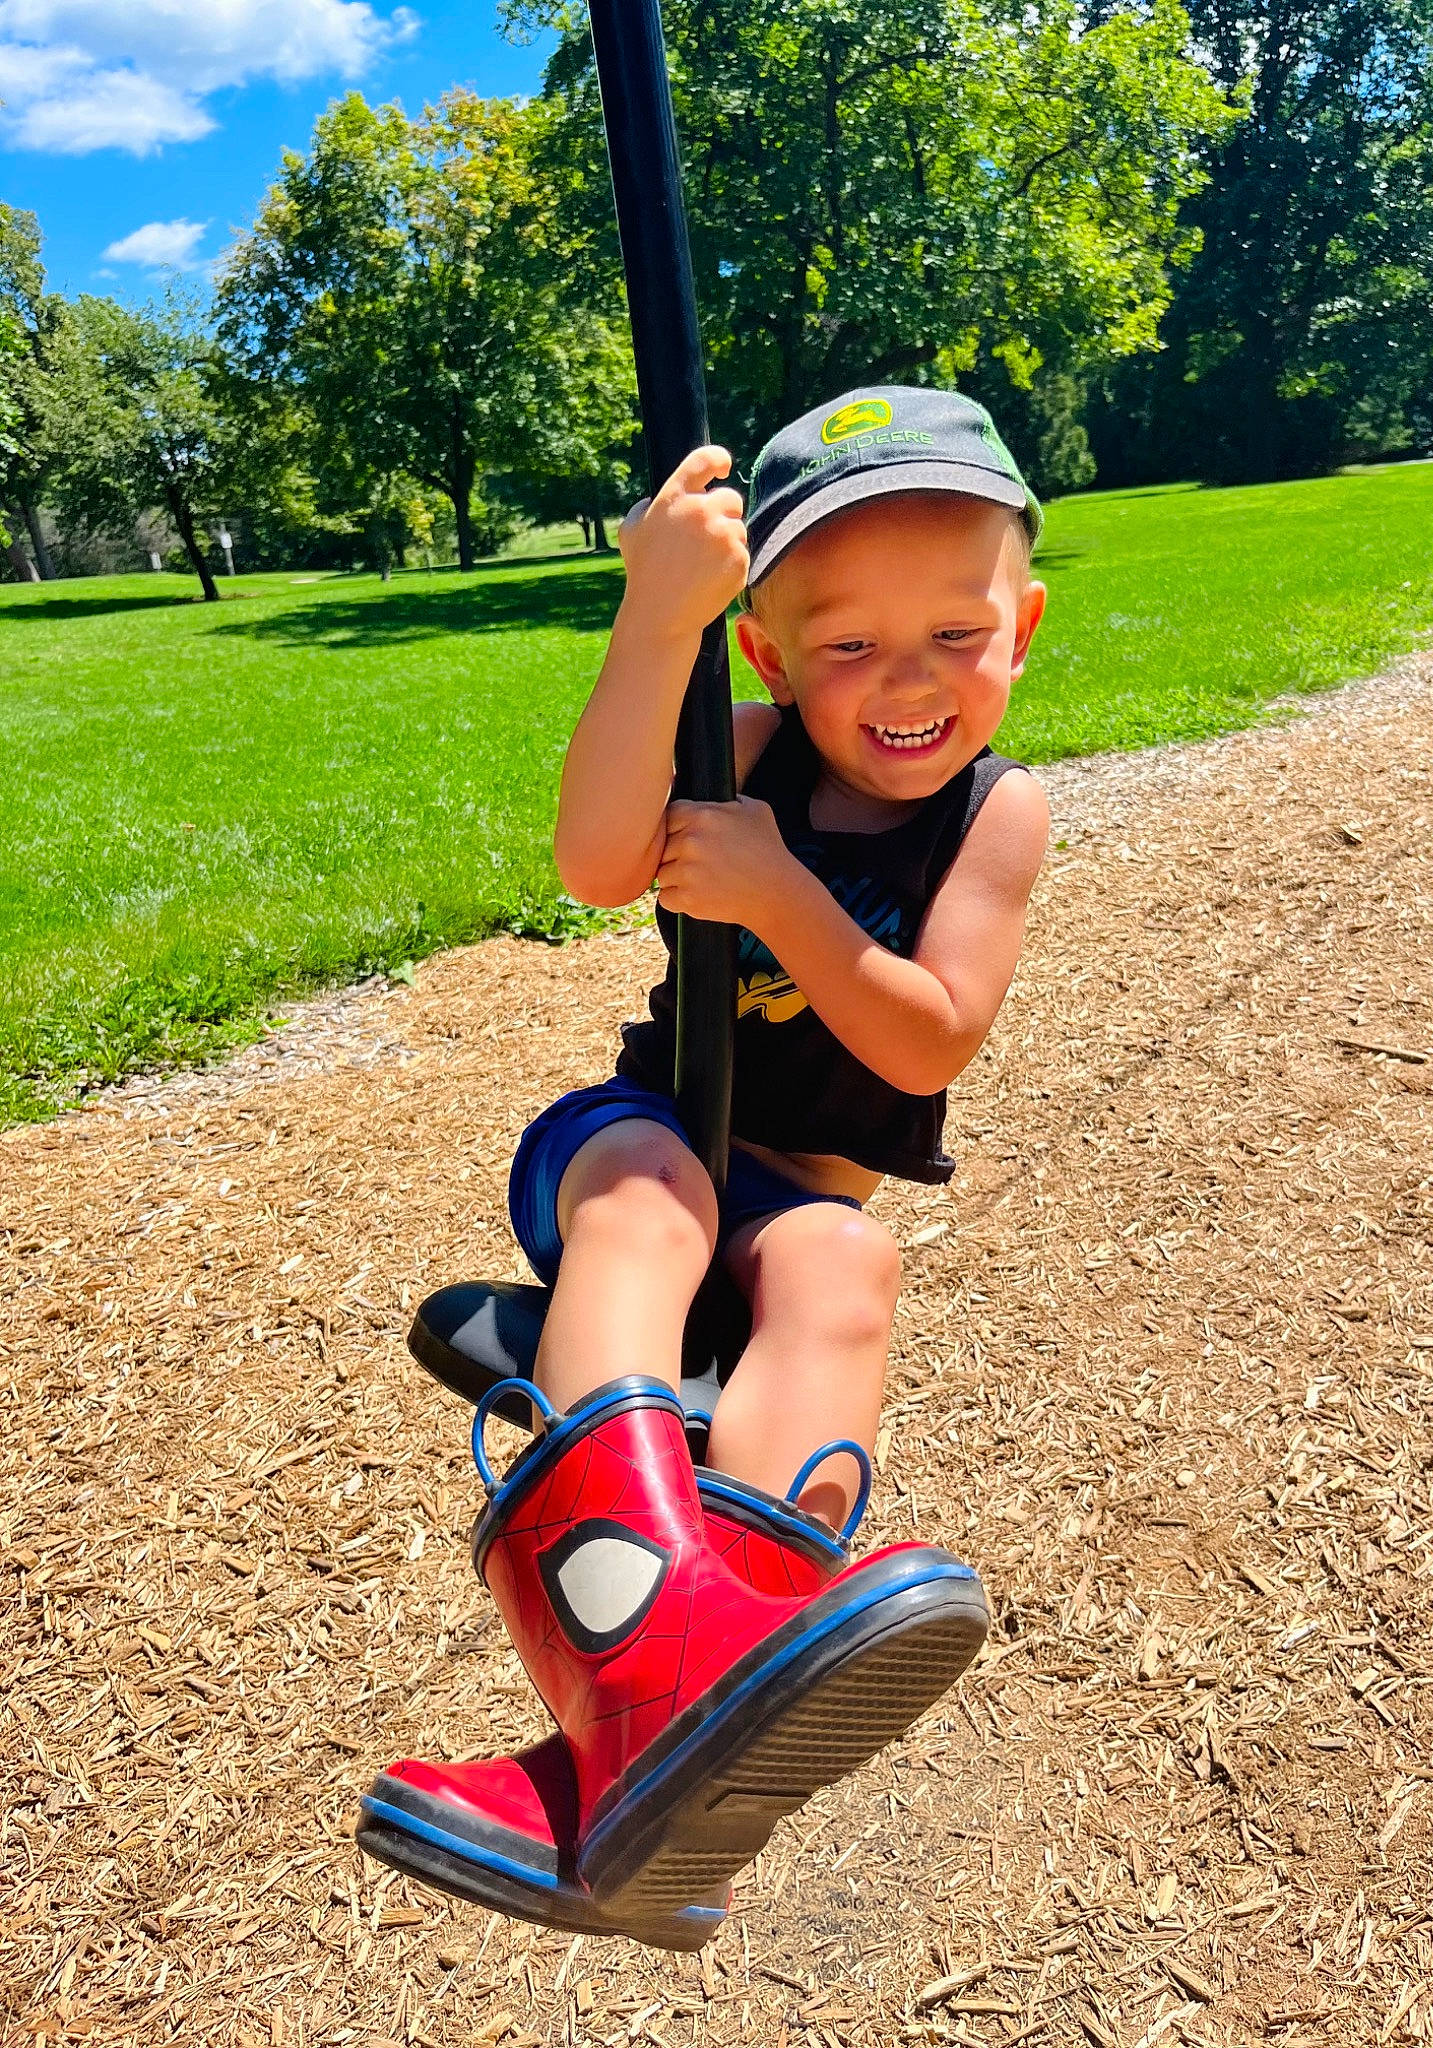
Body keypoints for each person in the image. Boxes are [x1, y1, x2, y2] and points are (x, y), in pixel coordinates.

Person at [357, 387, 1050, 1944]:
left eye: (956, 633)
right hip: (639, 1145)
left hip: (796, 1205)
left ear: (1024, 624)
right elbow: (600, 862)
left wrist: (782, 889)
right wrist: (652, 619)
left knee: (849, 1263)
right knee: (661, 1195)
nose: (907, 685)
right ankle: (650, 1654)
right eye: (848, 645)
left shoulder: (1002, 818)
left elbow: (930, 1041)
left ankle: (675, 1745)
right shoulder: (740, 749)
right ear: (769, 652)